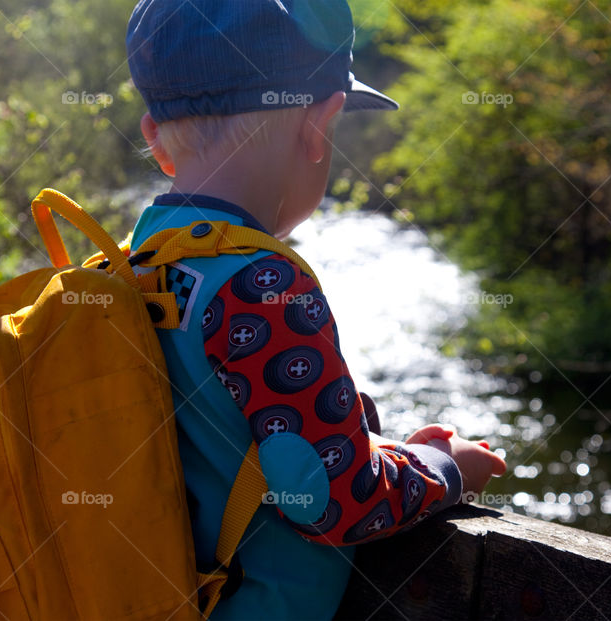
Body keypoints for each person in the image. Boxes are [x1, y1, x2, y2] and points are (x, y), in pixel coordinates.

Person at [125, 1, 507, 618]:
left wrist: (366, 445)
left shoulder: (130, 267)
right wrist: (444, 466)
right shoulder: (263, 285)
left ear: (155, 141)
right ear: (319, 127)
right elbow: (333, 503)